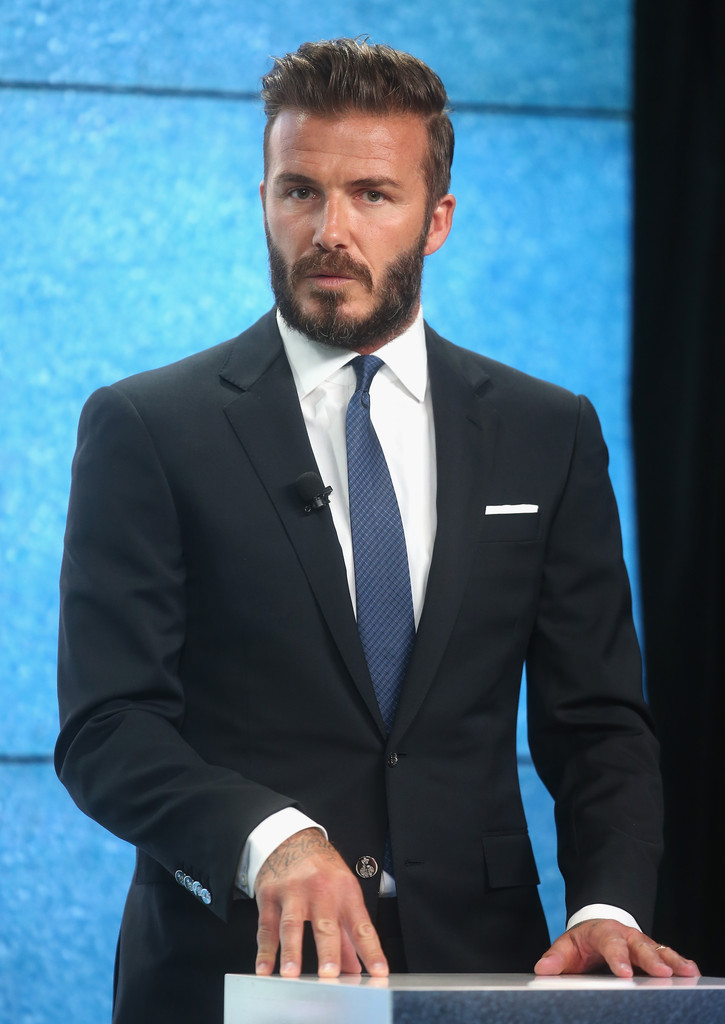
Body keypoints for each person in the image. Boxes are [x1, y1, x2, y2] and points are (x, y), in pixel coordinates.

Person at [55, 38, 698, 1024]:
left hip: (484, 968)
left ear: (434, 220)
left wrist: (605, 899)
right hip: (230, 972)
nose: (328, 229)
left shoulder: (546, 431)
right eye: (299, 191)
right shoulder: (148, 426)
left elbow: (596, 719)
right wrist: (271, 838)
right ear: (262, 201)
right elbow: (108, 726)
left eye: (371, 194)